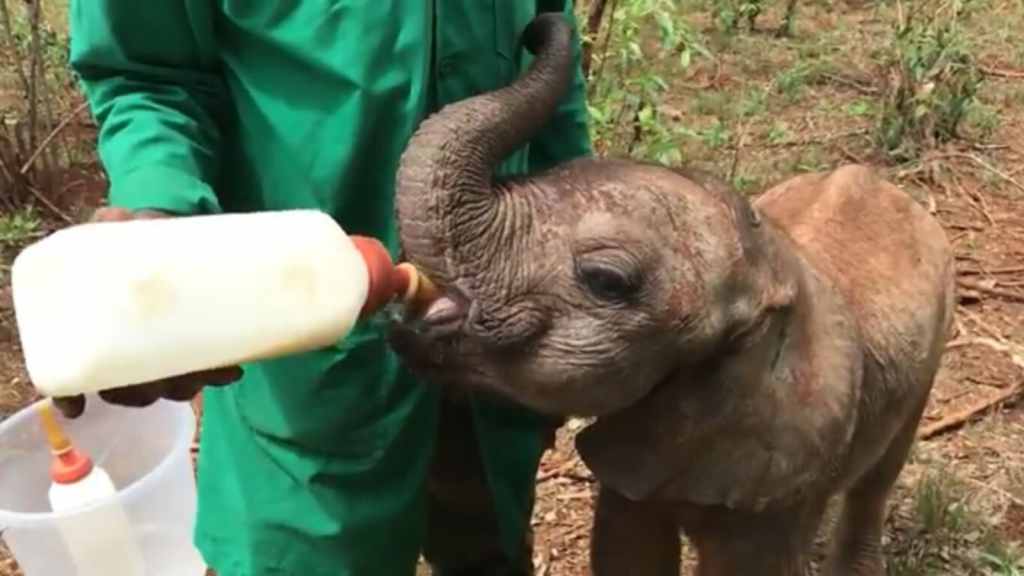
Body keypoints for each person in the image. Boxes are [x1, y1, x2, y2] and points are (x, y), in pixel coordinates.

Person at [58, 2, 593, 575]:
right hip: (308, 356)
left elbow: (549, 69)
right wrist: (158, 209)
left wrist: (572, 270)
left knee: (489, 546)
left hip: (492, 341)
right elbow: (146, 74)